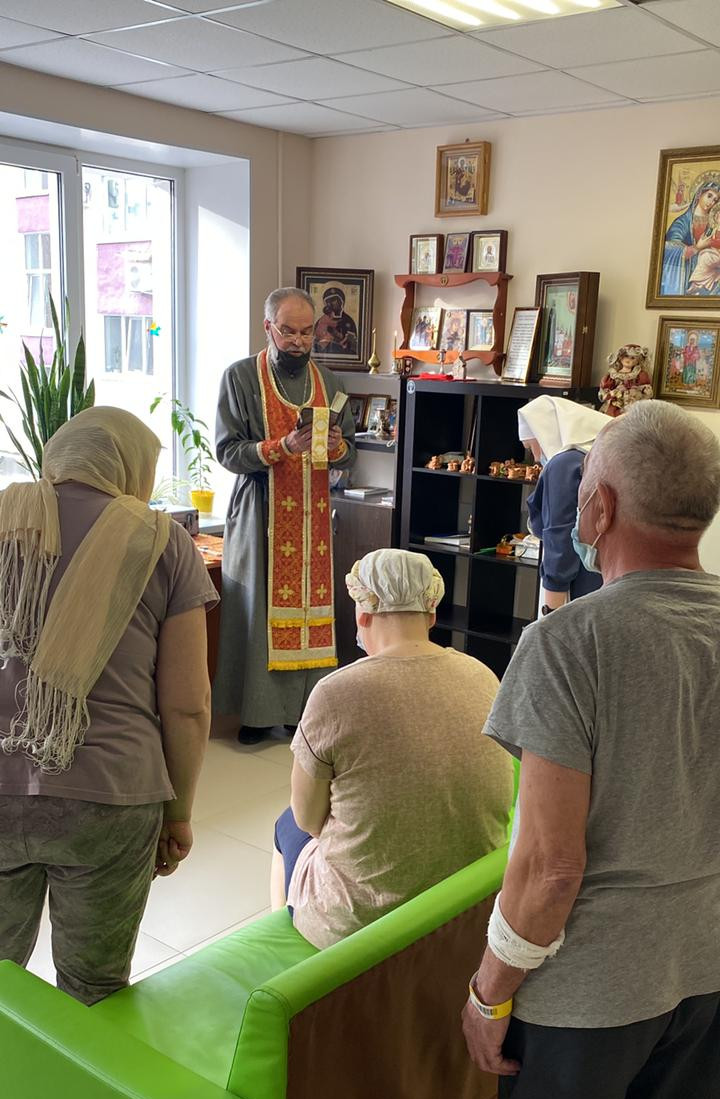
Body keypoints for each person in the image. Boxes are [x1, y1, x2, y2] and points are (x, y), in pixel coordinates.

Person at [462, 399, 720, 1099]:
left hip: (588, 996)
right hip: (706, 968)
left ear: (601, 508)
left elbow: (549, 868)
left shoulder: (567, 644)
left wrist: (488, 994)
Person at [0, 408, 217, 1005]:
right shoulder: (163, 541)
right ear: (131, 467)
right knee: (93, 991)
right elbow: (188, 705)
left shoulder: (3, 515)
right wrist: (178, 813)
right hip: (112, 797)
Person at [270, 549, 514, 948]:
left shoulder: (336, 693)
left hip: (362, 925)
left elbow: (309, 820)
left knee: (286, 825)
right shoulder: (483, 676)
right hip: (466, 907)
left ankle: (295, 942)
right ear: (431, 614)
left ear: (362, 615)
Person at [214, 287, 356, 744]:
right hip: (260, 511)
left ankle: (302, 711)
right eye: (288, 331)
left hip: (313, 515)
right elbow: (227, 451)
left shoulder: (330, 382)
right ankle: (257, 714)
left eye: (306, 332)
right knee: (258, 611)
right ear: (268, 328)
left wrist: (338, 448)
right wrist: (281, 447)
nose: (298, 341)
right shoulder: (240, 377)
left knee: (312, 611)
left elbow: (349, 452)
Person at [519, 395, 610, 611]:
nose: (535, 457)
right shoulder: (597, 456)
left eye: (530, 447)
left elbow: (559, 537)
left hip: (578, 585)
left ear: (543, 432)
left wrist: (551, 611)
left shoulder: (563, 465)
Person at [660, 178, 720, 297]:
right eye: (709, 196)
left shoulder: (714, 223)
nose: (711, 202)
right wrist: (697, 248)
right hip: (686, 277)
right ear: (699, 194)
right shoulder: (682, 223)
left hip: (712, 274)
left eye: (715, 200)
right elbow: (667, 251)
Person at [313, 286, 358, 356]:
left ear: (341, 302)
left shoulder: (348, 321)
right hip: (325, 357)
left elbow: (354, 347)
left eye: (333, 300)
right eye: (327, 301)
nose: (330, 304)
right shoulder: (321, 321)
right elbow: (315, 346)